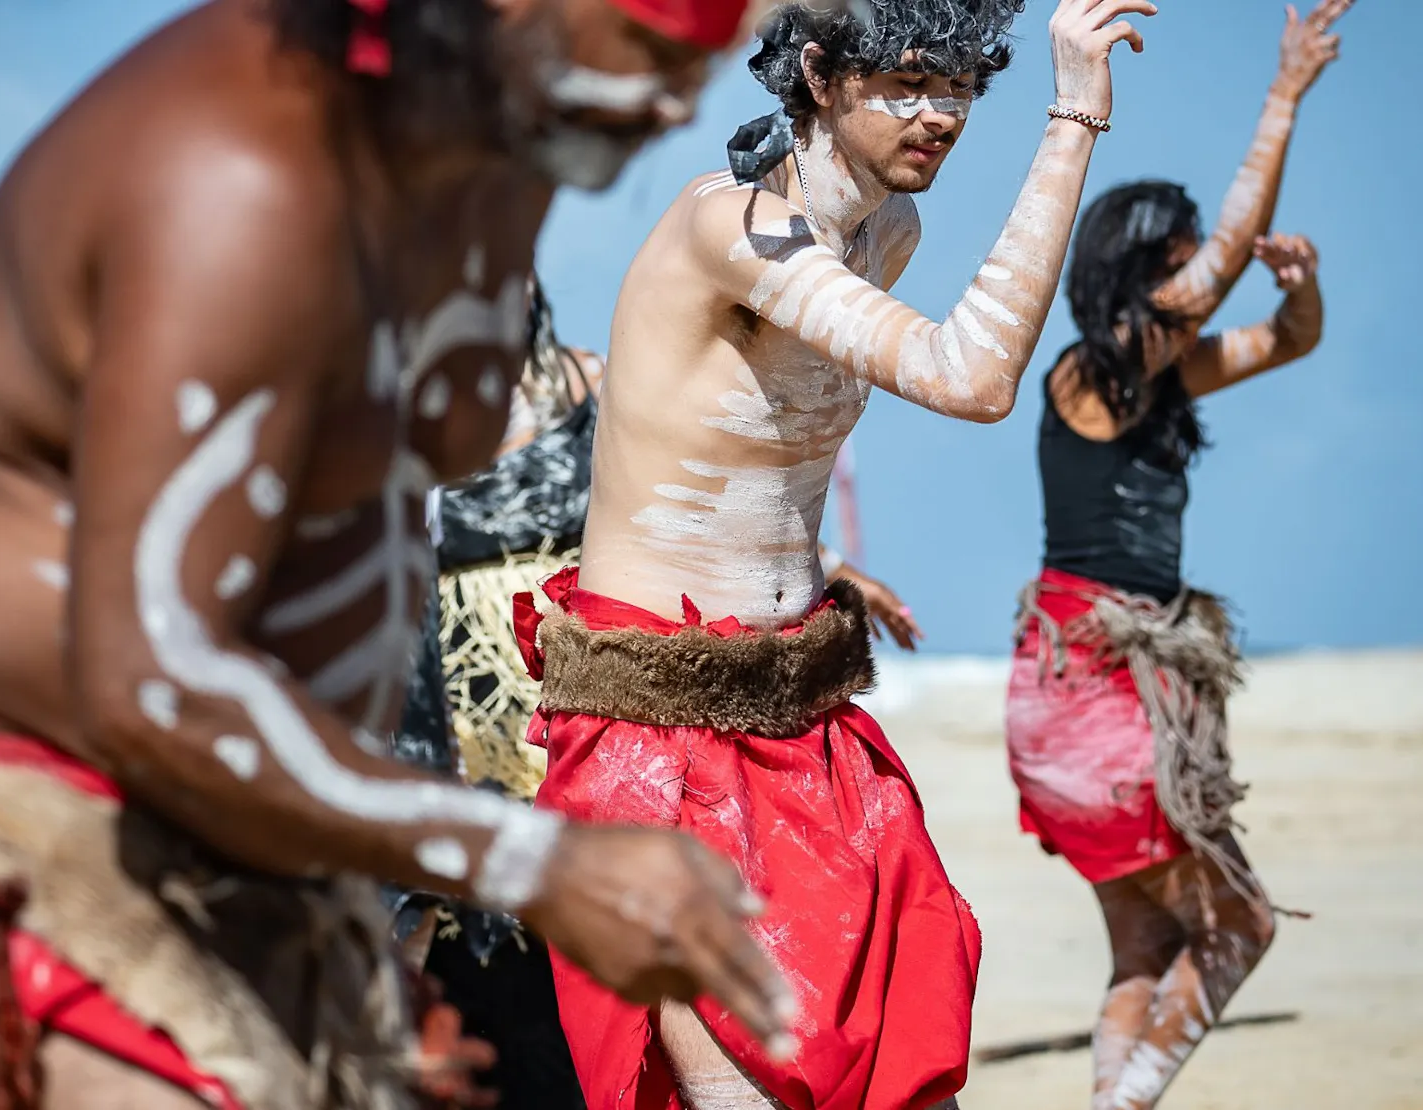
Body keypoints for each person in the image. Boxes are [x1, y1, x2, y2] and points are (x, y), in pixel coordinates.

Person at [0, 0, 806, 1106]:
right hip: (36, 808)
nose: (677, 103)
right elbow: (149, 678)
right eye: (648, 53)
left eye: (701, 61)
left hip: (266, 839)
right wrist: (531, 861)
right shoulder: (244, 180)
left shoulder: (486, 141)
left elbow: (425, 437)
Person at [513, 0, 1158, 1106]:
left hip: (804, 713)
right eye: (907, 82)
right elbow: (972, 378)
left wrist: (810, 570)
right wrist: (1072, 121)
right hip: (656, 733)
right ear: (817, 75)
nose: (939, 115)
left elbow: (747, 431)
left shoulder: (883, 236)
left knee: (906, 1069)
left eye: (959, 88)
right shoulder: (732, 227)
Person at [390, 276, 923, 1108]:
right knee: (489, 1021)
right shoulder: (403, 426)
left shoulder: (596, 384)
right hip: (464, 750)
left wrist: (837, 569)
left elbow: (706, 491)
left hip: (592, 722)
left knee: (596, 1013)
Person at [1002, 3, 1347, 1107]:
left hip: (1069, 693)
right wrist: (1283, 98)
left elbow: (1286, 340)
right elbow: (1210, 290)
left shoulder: (1156, 380)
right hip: (1096, 688)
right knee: (1240, 922)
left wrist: (1300, 290)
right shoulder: (1093, 376)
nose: (1199, 283)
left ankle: (1116, 1097)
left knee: (1144, 951)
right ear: (1136, 275)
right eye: (1183, 266)